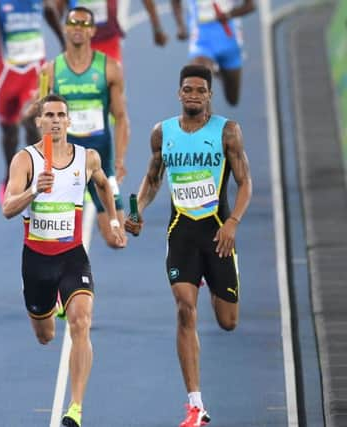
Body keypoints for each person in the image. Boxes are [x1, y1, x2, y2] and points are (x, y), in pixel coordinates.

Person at [124, 65, 252, 427]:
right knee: (184, 309)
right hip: (181, 233)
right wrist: (140, 211)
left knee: (227, 322)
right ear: (179, 93)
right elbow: (152, 178)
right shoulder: (162, 133)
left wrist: (232, 223)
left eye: (200, 90)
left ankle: (213, 284)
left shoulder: (227, 132)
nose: (193, 95)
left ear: (209, 95)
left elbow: (245, 184)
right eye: (187, 90)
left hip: (217, 233)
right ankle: (195, 403)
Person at [2, 94, 125, 427]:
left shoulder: (87, 158)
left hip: (72, 256)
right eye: (49, 115)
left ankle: (75, 408)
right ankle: (48, 305)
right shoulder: (25, 161)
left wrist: (113, 221)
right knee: (45, 336)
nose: (55, 120)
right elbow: (7, 209)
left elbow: (104, 186)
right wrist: (33, 192)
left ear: (69, 122)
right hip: (36, 261)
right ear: (39, 122)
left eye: (61, 115)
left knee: (81, 321)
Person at [39, 6, 129, 249]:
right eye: (73, 23)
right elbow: (43, 124)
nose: (78, 28)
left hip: (100, 160)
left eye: (84, 24)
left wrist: (119, 160)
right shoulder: (50, 71)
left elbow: (121, 118)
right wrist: (45, 164)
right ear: (65, 28)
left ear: (92, 31)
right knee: (57, 235)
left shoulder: (109, 68)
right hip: (63, 160)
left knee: (116, 238)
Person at [0, 0, 65, 203]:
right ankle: (9, 174)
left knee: (31, 120)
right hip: (8, 74)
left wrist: (64, 44)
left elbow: (49, 10)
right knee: (9, 131)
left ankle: (36, 174)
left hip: (35, 72)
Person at [170, 0, 255, 106]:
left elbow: (250, 6)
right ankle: (203, 120)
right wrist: (180, 26)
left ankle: (219, 73)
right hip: (202, 38)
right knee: (199, 82)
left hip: (228, 37)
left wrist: (229, 14)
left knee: (232, 99)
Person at [55, 0, 170, 62]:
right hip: (79, 46)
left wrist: (157, 28)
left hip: (108, 41)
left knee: (114, 94)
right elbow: (56, 9)